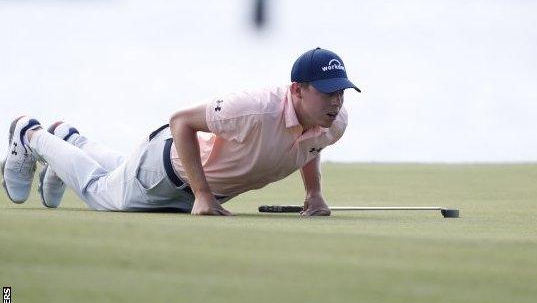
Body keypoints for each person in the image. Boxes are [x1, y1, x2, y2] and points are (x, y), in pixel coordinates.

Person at [1, 47, 360, 216]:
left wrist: (313, 193)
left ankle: (69, 140)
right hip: (167, 172)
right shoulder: (253, 108)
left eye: (341, 91)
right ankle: (29, 135)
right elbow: (181, 121)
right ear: (297, 89)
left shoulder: (333, 122)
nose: (337, 101)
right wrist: (203, 196)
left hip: (191, 184)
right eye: (328, 92)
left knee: (118, 172)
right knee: (97, 190)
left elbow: (309, 147)